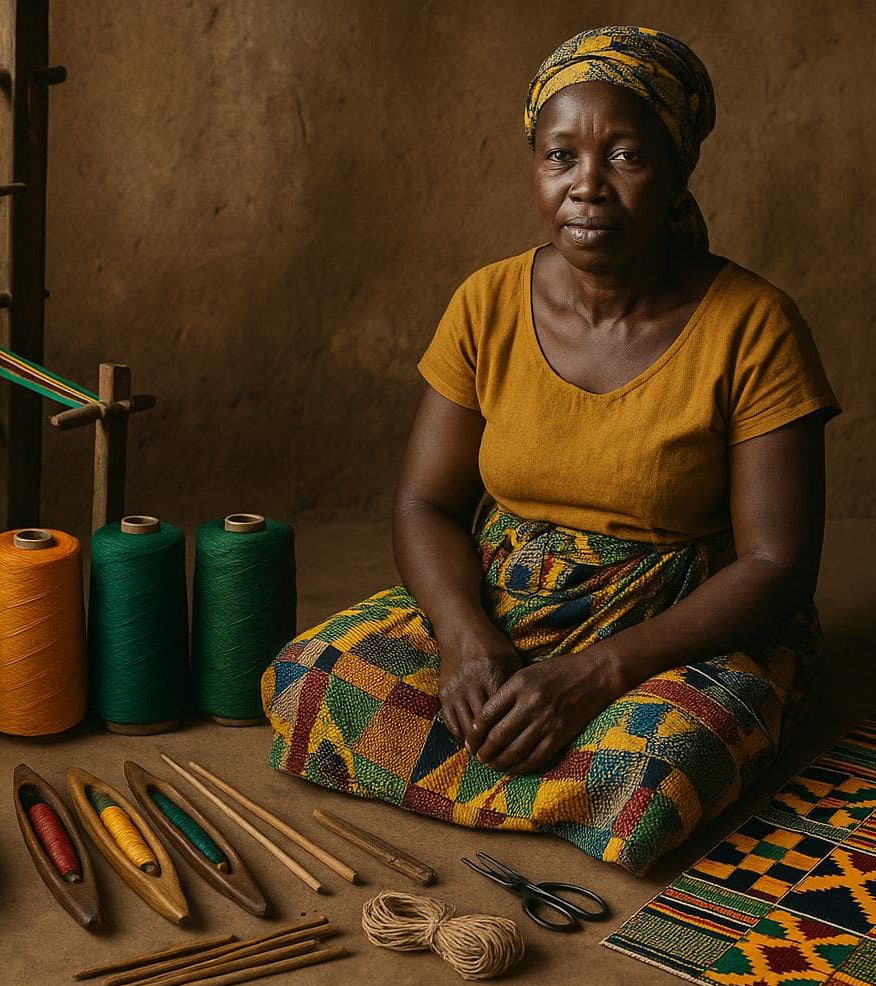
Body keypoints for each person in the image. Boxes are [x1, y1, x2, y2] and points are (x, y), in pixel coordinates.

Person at [261, 26, 840, 874]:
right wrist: (462, 638)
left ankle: (532, 767)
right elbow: (424, 504)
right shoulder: (487, 301)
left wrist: (595, 676)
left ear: (678, 168)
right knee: (307, 680)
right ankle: (542, 781)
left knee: (654, 775)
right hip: (504, 602)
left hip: (677, 627)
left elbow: (777, 565)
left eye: (627, 156)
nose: (587, 188)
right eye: (559, 156)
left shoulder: (753, 326)